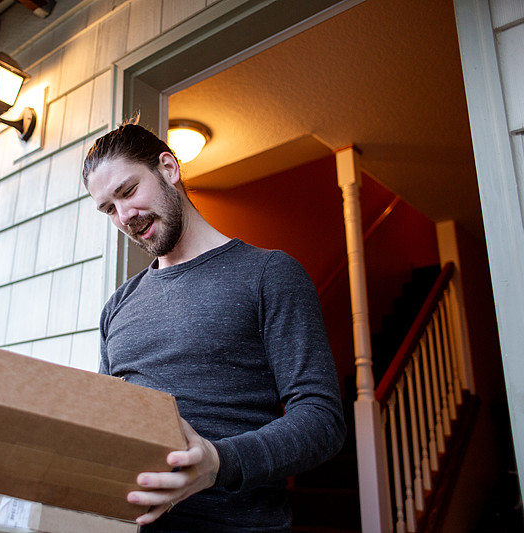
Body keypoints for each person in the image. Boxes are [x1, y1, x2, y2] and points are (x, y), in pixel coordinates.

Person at [82, 120, 346, 533]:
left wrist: (217, 462)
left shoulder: (269, 274)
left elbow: (322, 419)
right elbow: (108, 421)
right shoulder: (118, 305)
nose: (124, 216)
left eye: (129, 191)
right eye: (108, 209)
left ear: (168, 168)